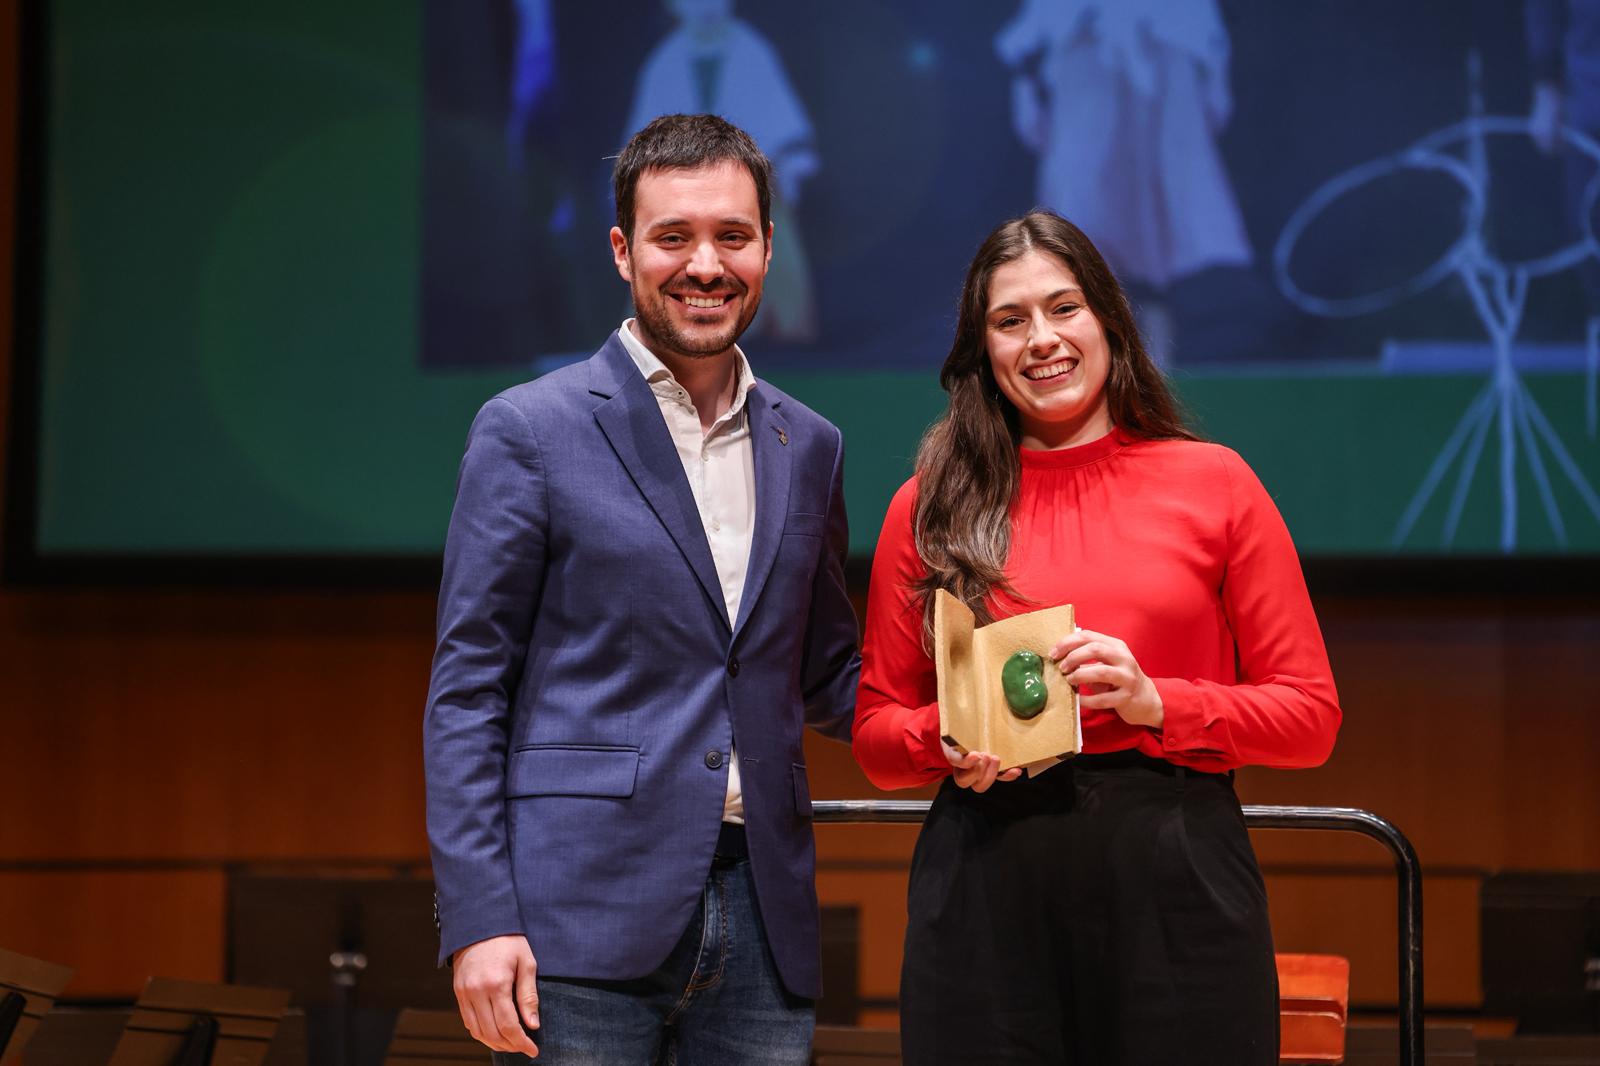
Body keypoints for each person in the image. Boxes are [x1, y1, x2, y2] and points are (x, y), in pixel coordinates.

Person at [852, 209, 1340, 1064]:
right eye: (1010, 320)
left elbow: (1309, 718)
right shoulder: (927, 505)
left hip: (1176, 869)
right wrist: (947, 735)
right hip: (984, 874)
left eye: (1063, 307)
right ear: (983, 352)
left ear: (1110, 320)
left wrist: (1160, 703)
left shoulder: (1215, 483)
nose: (1041, 339)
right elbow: (875, 736)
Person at [424, 113, 859, 1063]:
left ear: (769, 248)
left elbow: (829, 675)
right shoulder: (529, 429)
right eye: (674, 237)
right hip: (570, 921)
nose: (705, 264)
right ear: (624, 251)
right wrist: (478, 917)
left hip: (764, 912)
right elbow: (467, 692)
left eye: (732, 237)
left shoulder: (811, 443)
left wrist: (982, 700)